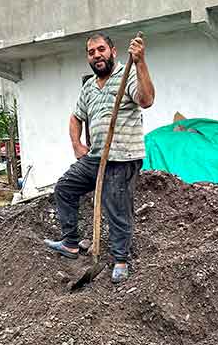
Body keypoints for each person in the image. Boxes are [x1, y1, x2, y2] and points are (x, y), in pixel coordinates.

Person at [43, 32, 155, 283]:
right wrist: (77, 144)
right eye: (92, 52)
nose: (97, 55)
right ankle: (71, 243)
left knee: (115, 204)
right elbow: (76, 117)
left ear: (113, 52)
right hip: (96, 157)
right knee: (65, 188)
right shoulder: (89, 86)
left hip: (123, 157)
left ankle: (121, 259)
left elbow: (146, 100)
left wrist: (140, 62)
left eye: (101, 50)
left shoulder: (128, 74)